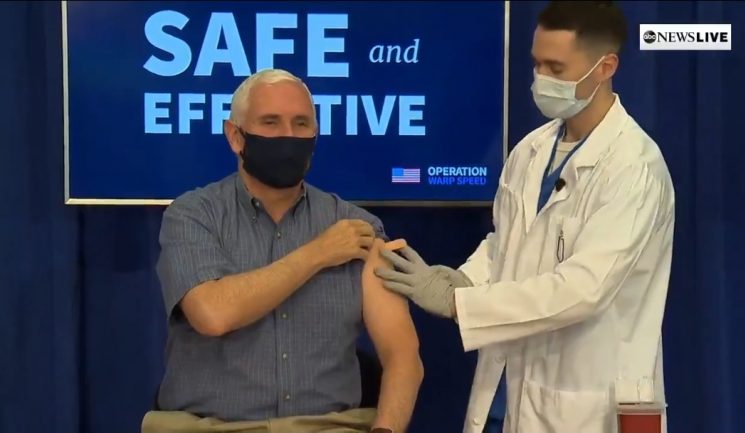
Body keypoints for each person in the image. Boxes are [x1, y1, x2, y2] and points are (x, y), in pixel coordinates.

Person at [374, 2, 675, 433]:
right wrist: (465, 280)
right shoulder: (530, 151)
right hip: (508, 394)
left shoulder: (634, 167)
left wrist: (460, 305)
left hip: (589, 407)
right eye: (537, 64)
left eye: (556, 68)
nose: (542, 79)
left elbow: (583, 290)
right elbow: (507, 243)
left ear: (606, 67)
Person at [144, 68, 424, 433]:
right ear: (235, 136)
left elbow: (402, 356)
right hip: (212, 426)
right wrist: (318, 253)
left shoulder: (358, 228)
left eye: (301, 124)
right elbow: (212, 313)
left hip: (327, 427)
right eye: (270, 123)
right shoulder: (194, 215)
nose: (288, 136)